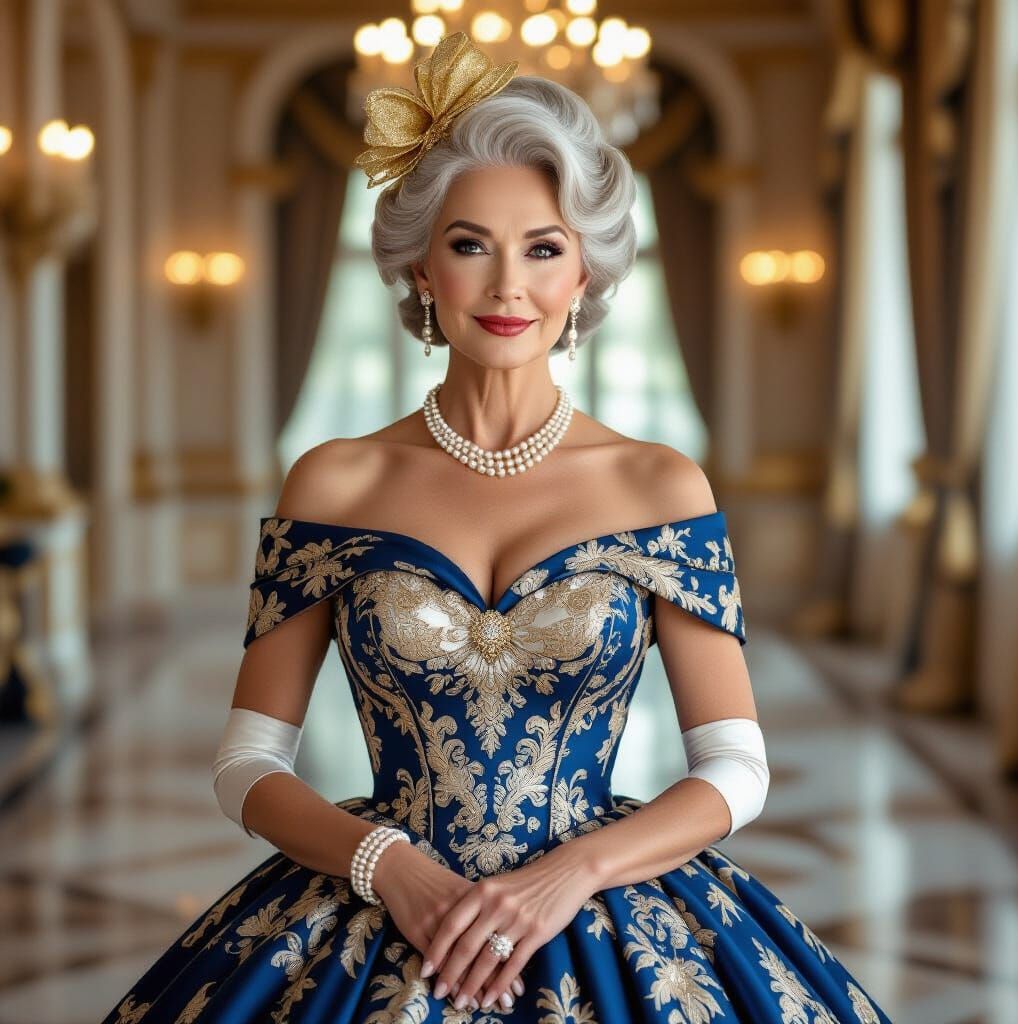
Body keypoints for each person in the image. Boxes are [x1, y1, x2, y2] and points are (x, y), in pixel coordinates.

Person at [101, 31, 893, 1024]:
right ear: (422, 268)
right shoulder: (335, 480)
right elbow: (247, 763)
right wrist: (388, 866)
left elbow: (736, 768)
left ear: (584, 275)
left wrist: (571, 873)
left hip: (602, 903)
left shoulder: (659, 484)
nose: (508, 285)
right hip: (377, 900)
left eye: (544, 249)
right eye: (471, 244)